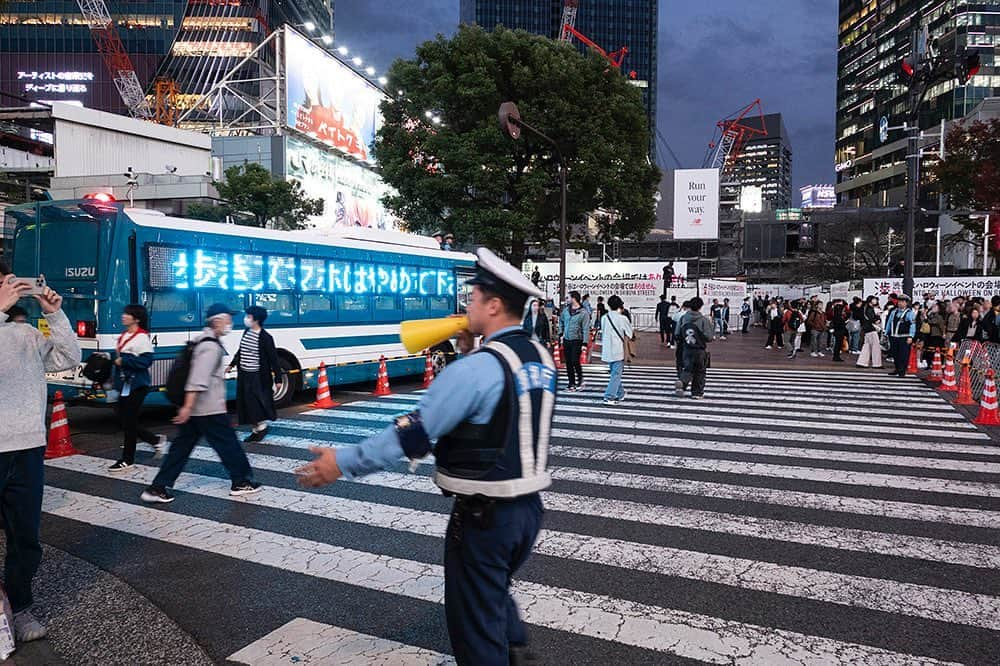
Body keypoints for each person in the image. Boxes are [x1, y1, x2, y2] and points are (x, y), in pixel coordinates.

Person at [296, 248, 553, 665]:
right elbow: (498, 411)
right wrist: (471, 353)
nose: (465, 305)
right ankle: (518, 653)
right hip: (527, 510)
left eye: (472, 298)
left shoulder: (477, 369)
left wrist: (341, 461)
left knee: (475, 629)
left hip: (485, 517)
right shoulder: (538, 355)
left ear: (493, 304)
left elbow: (415, 432)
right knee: (492, 594)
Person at [0, 264, 81, 643]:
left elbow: (67, 358)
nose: (10, 289)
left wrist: (55, 313)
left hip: (28, 448)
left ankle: (19, 609)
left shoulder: (26, 333)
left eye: (10, 283)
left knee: (25, 538)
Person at [141, 303, 262, 504]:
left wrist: (188, 407)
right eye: (228, 319)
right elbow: (197, 379)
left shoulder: (201, 340)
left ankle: (158, 487)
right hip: (207, 408)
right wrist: (187, 407)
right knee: (229, 445)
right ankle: (241, 482)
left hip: (198, 409)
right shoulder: (210, 346)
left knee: (181, 449)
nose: (230, 323)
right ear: (217, 321)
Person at [109, 304, 168, 471]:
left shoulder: (142, 338)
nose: (123, 316)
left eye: (127, 314)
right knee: (124, 419)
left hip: (137, 384)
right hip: (124, 383)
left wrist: (124, 361)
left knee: (128, 421)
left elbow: (146, 361)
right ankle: (155, 441)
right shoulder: (125, 335)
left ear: (136, 318)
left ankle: (127, 459)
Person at [231, 305, 282, 443]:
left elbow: (274, 359)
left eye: (248, 316)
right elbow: (241, 351)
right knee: (245, 403)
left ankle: (261, 427)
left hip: (257, 376)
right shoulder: (246, 332)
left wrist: (278, 379)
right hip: (244, 374)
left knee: (255, 403)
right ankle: (256, 429)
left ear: (256, 319)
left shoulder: (266, 337)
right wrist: (231, 364)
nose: (245, 319)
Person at [675, 297, 713, 399]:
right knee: (700, 371)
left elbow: (677, 333)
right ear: (700, 307)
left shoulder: (683, 318)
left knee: (688, 368)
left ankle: (682, 382)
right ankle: (697, 392)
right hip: (699, 349)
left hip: (686, 348)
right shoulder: (704, 320)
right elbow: (709, 337)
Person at [600, 295, 633, 405]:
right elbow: (630, 334)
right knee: (616, 374)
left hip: (607, 350)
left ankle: (621, 393)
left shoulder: (604, 318)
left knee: (614, 373)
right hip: (618, 351)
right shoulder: (622, 318)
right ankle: (609, 397)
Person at [561, 291, 590, 392]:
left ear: (573, 299)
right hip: (566, 340)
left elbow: (586, 329)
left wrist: (585, 343)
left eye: (567, 298)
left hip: (577, 340)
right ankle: (571, 383)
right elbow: (561, 321)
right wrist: (561, 333)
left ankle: (580, 379)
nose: (566, 300)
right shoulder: (565, 311)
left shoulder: (583, 313)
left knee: (574, 360)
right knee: (568, 362)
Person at [884, 294, 916, 377]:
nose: (900, 303)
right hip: (894, 336)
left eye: (902, 302)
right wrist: (886, 333)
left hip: (904, 337)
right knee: (895, 354)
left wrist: (911, 336)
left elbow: (913, 325)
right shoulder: (894, 312)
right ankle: (897, 368)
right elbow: (889, 323)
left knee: (903, 355)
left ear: (906, 303)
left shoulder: (910, 313)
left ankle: (902, 371)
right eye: (899, 301)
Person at [856, 295, 884, 369]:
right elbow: (871, 319)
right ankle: (877, 364)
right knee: (876, 346)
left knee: (867, 346)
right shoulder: (869, 309)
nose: (876, 301)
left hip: (866, 329)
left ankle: (862, 362)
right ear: (870, 301)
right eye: (874, 299)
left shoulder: (865, 308)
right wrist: (877, 318)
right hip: (871, 328)